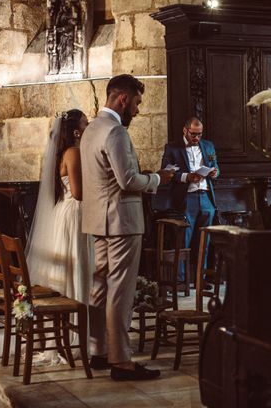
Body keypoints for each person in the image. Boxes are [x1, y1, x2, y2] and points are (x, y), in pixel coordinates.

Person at [80, 74, 173, 381]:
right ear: (122, 98)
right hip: (121, 222)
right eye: (136, 103)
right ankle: (121, 362)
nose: (137, 110)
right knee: (120, 292)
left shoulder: (92, 129)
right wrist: (158, 179)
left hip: (98, 221)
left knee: (100, 289)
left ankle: (99, 351)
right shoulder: (116, 132)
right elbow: (128, 181)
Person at [25, 108, 92, 365]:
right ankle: (74, 339)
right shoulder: (73, 152)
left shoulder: (62, 153)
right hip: (74, 216)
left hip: (65, 214)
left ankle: (68, 336)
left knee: (70, 273)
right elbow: (78, 193)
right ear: (76, 131)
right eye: (86, 124)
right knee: (75, 273)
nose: (89, 127)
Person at [161, 117, 219, 282]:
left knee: (205, 241)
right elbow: (166, 172)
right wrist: (187, 177)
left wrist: (215, 173)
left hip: (206, 197)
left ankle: (201, 279)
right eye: (193, 134)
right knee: (183, 239)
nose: (197, 138)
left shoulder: (208, 146)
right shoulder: (172, 148)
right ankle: (181, 280)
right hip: (187, 198)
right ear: (185, 130)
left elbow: (217, 168)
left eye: (199, 134)